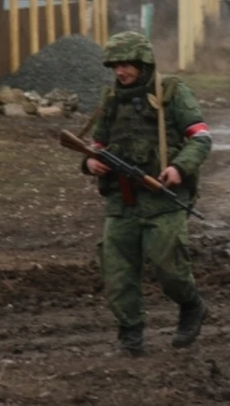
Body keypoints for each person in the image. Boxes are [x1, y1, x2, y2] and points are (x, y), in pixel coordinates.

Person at [83, 31, 212, 357]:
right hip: (120, 201)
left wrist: (178, 169)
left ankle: (191, 305)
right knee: (117, 272)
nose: (120, 72)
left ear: (143, 63)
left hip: (161, 198)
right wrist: (89, 162)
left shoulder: (172, 93)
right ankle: (131, 336)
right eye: (115, 66)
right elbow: (96, 145)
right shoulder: (112, 100)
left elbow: (200, 138)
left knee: (170, 269)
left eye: (127, 65)